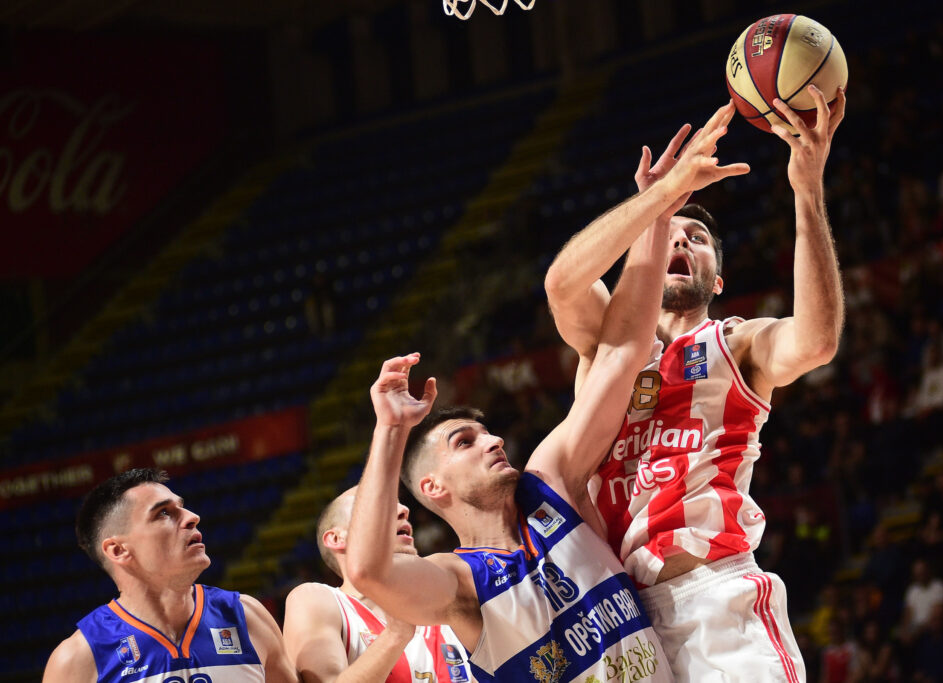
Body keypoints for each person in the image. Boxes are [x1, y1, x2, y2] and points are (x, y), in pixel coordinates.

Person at [344, 107, 747, 682]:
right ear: (433, 487)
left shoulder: (551, 485)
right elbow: (369, 572)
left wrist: (660, 208)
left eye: (486, 432)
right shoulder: (460, 584)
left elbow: (622, 352)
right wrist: (389, 430)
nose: (493, 441)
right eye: (464, 442)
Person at [543, 86, 847, 681]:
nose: (682, 239)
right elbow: (561, 284)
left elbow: (815, 341)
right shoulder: (606, 350)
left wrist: (807, 191)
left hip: (714, 600)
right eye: (670, 233)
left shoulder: (736, 343)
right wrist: (656, 202)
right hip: (622, 623)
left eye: (698, 239)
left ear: (718, 279)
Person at [42, 468, 297, 683]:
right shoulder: (78, 660)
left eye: (182, 508)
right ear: (118, 550)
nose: (192, 517)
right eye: (163, 513)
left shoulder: (247, 617)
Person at [283, 487, 474, 682]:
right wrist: (396, 634)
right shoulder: (316, 599)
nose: (404, 510)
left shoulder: (447, 611)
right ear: (337, 538)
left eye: (399, 504)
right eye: (380, 505)